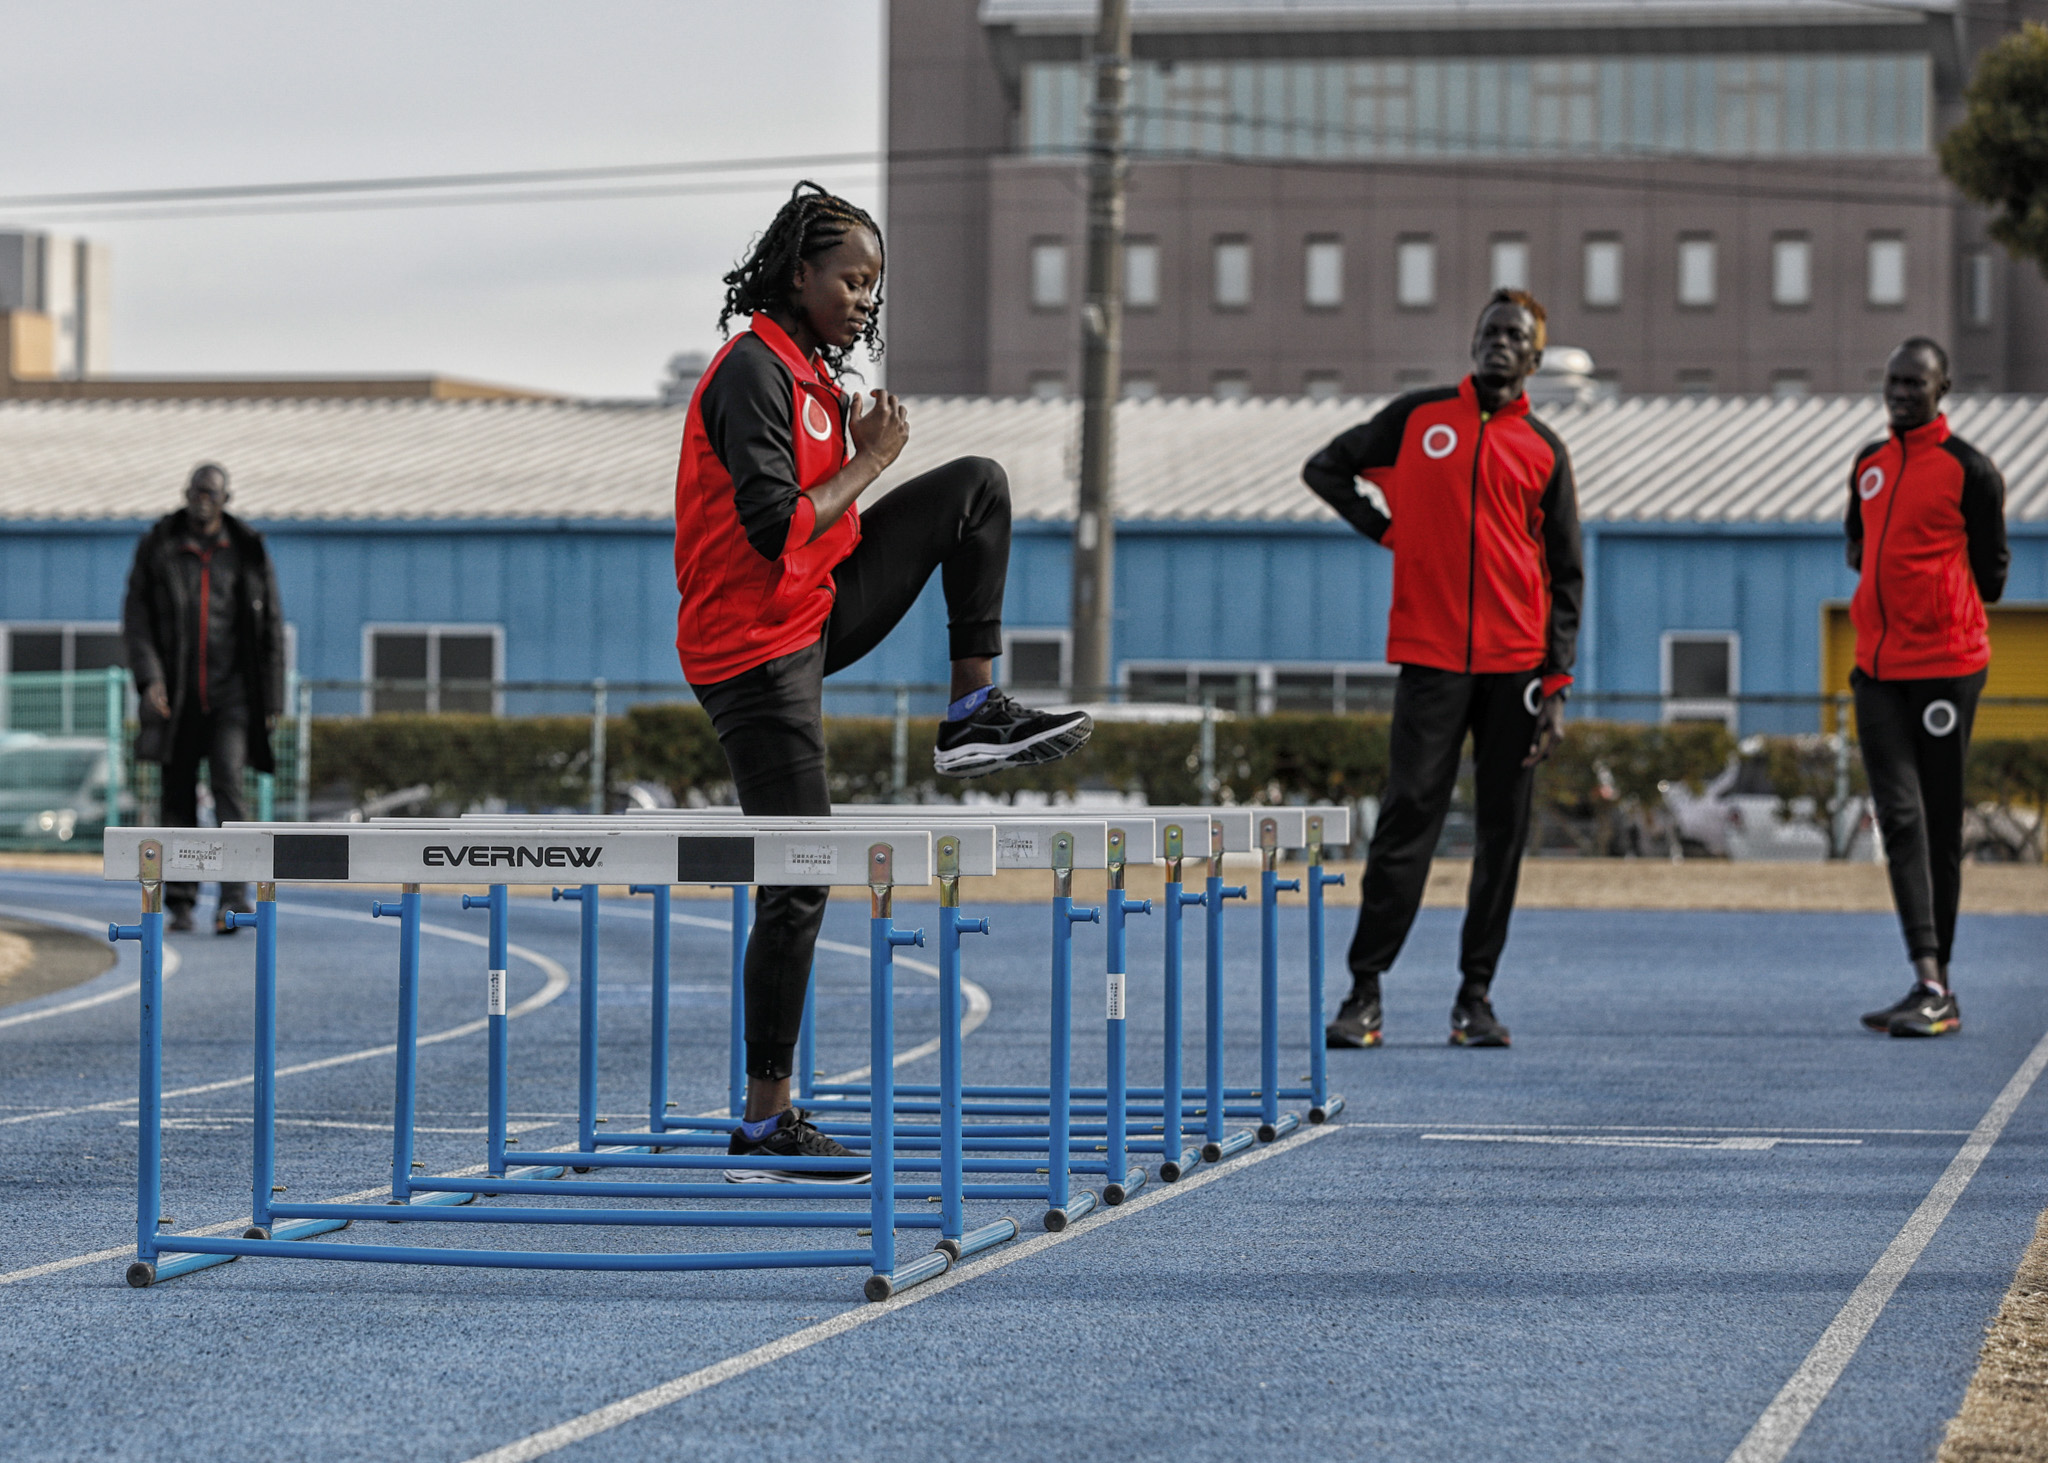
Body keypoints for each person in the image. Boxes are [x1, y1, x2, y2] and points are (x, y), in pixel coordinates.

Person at [673, 182, 1093, 1179]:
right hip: (749, 647)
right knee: (799, 871)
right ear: (797, 273)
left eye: (876, 284)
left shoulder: (814, 377)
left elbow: (822, 534)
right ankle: (767, 1113)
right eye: (851, 279)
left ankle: (970, 712)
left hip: (812, 612)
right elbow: (777, 524)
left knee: (974, 487)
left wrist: (868, 459)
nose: (865, 298)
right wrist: (871, 460)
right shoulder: (750, 373)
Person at [1303, 289, 1583, 1049]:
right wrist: (1386, 529)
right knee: (1405, 825)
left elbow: (1566, 577)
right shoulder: (1418, 420)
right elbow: (1325, 468)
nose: (1499, 343)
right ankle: (1364, 992)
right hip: (1429, 660)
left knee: (1502, 833)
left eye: (1514, 336)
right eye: (1488, 330)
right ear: (1473, 343)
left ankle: (1475, 998)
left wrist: (1555, 686)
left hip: (1515, 670)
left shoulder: (1545, 452)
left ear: (1533, 357)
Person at [1849, 338, 2008, 1039]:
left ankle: (1938, 984)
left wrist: (1935, 601)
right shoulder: (1869, 466)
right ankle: (1927, 977)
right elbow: (1859, 545)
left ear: (1943, 389)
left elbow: (1993, 571)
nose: (1901, 393)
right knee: (1899, 816)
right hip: (1877, 670)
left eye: (1916, 383)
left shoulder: (1970, 470)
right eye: (1894, 381)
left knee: (1938, 822)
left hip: (1947, 665)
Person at [121, 463, 287, 934]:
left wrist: (271, 698)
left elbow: (271, 624)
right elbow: (137, 619)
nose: (202, 499)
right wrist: (149, 678)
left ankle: (232, 900)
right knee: (177, 800)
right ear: (185, 493)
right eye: (196, 490)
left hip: (232, 695)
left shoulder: (248, 550)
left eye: (211, 492)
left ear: (226, 498)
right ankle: (180, 902)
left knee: (228, 788)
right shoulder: (159, 545)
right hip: (176, 697)